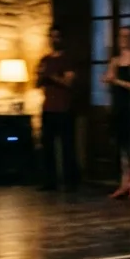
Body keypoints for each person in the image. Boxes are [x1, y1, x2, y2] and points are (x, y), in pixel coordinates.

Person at [104, 26, 130, 199]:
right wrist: (109, 80)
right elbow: (109, 79)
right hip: (119, 106)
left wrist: (117, 81)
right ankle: (124, 183)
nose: (124, 39)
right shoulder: (115, 60)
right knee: (121, 146)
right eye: (121, 36)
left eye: (127, 36)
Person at [37, 26, 78, 191]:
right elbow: (38, 83)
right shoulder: (45, 60)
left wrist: (52, 77)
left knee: (67, 146)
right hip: (48, 108)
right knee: (47, 145)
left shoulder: (67, 60)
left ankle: (70, 181)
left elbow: (69, 82)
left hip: (64, 108)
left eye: (57, 37)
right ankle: (49, 181)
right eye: (51, 37)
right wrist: (41, 76)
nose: (54, 40)